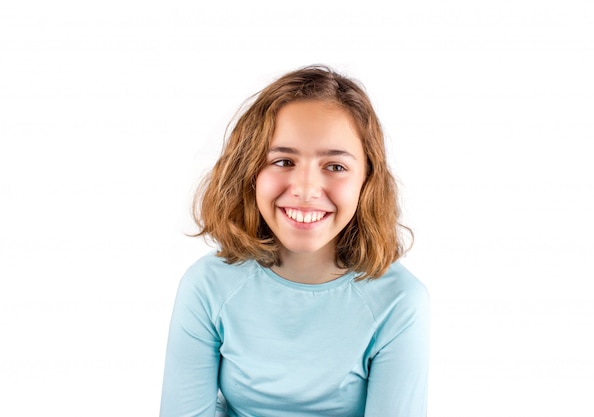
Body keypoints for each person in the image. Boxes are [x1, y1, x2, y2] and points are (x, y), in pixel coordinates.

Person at [159, 65, 429, 417]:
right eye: (283, 161)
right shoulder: (207, 285)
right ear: (249, 172)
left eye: (335, 166)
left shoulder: (400, 301)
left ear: (367, 181)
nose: (304, 189)